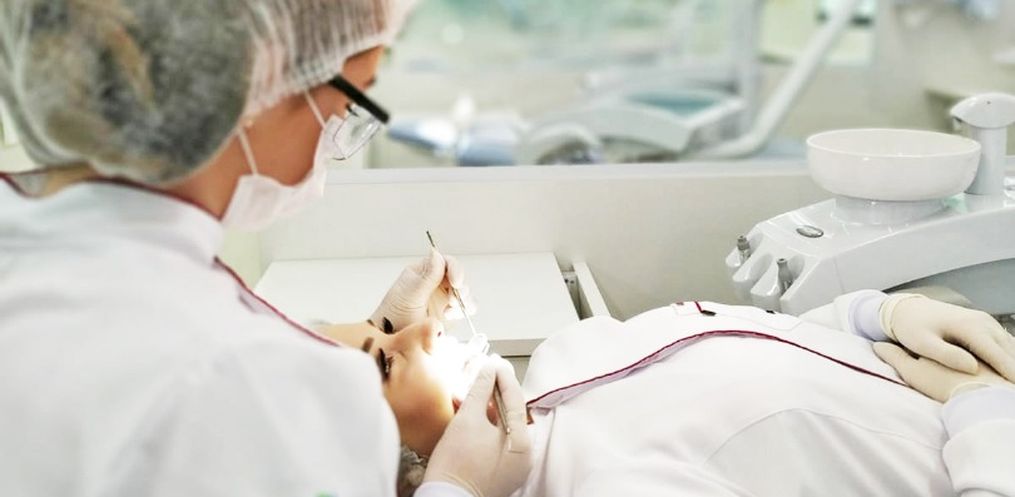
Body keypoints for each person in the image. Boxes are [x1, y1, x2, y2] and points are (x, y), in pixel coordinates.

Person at [0, 1, 530, 496]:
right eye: (352, 101)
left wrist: (378, 331)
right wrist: (455, 486)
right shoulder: (249, 392)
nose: (342, 139)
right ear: (262, 82)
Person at [326, 290, 1015, 497]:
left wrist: (870, 314)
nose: (423, 327)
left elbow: (757, 343)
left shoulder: (570, 354)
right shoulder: (617, 485)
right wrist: (986, 418)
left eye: (384, 323)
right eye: (385, 360)